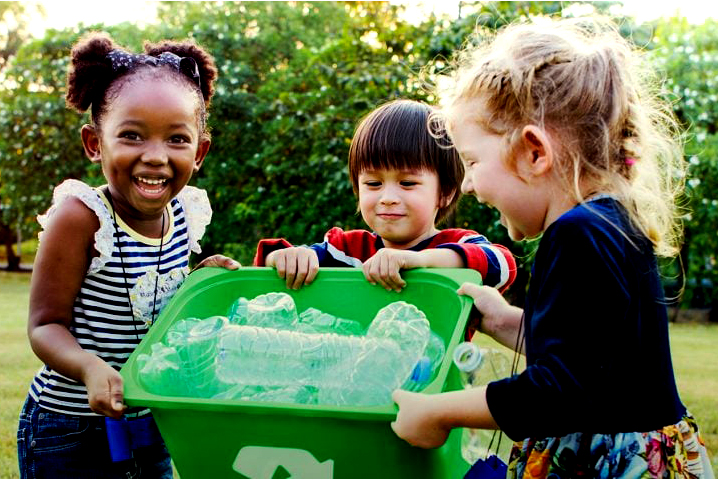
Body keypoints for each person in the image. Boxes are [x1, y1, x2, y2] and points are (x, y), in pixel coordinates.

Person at [391, 16, 715, 479]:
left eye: (472, 162)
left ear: (534, 152)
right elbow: (597, 360)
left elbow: (559, 392)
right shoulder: (615, 221)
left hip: (600, 464)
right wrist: (505, 321)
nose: (469, 185)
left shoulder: (577, 234)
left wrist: (438, 411)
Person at [17, 32, 238, 478]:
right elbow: (45, 325)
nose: (155, 157)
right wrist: (88, 368)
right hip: (71, 429)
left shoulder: (184, 214)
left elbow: (154, 301)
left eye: (177, 139)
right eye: (132, 136)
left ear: (200, 151)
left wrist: (199, 280)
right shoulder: (82, 218)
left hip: (150, 417)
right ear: (95, 143)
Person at [254, 99, 517, 294]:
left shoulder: (456, 244)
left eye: (407, 182)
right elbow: (270, 263)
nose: (387, 197)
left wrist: (419, 261)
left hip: (438, 369)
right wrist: (287, 258)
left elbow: (503, 265)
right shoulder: (348, 252)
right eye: (373, 183)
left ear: (445, 192)